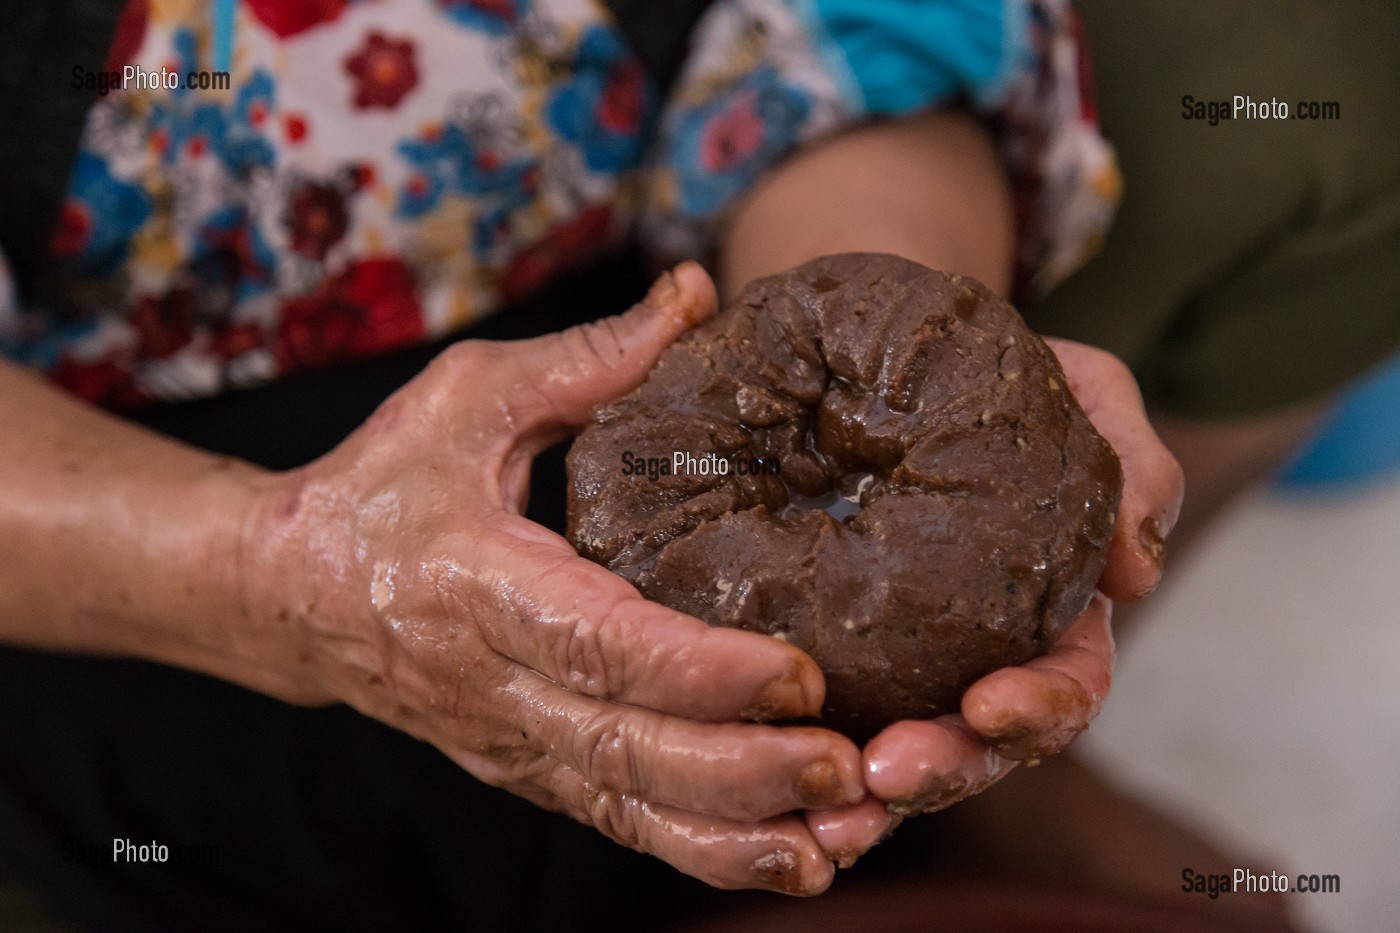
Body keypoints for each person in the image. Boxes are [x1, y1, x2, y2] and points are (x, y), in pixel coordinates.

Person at [0, 0, 1392, 929]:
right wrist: (280, 569)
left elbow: (849, 25)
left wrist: (888, 313)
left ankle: (947, 786)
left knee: (1309, 65)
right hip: (123, 470)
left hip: (667, 253)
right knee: (328, 825)